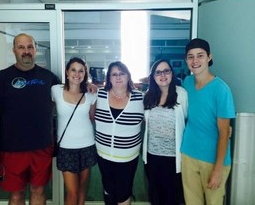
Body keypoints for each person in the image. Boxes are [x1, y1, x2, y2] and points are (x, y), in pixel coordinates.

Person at [0, 33, 61, 205]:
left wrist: (89, 86)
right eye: (21, 47)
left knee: (39, 190)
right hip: (11, 149)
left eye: (30, 47)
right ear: (14, 50)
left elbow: (69, 95)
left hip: (42, 148)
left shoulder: (49, 78)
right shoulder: (1, 78)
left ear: (35, 50)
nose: (26, 51)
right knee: (16, 194)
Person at [181, 38, 235, 205]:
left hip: (213, 160)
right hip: (188, 154)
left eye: (200, 55)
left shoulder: (221, 89)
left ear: (209, 57)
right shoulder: (187, 83)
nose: (195, 61)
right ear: (186, 60)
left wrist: (218, 170)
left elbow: (224, 132)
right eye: (190, 56)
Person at [94, 61, 144, 205]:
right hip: (104, 155)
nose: (118, 77)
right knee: (108, 190)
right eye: (114, 74)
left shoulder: (140, 98)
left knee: (124, 193)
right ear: (109, 78)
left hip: (128, 157)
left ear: (128, 76)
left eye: (122, 73)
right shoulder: (99, 96)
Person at [51, 57, 97, 205]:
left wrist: (90, 85)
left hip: (87, 145)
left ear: (85, 74)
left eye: (81, 71)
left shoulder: (91, 94)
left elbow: (92, 118)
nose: (77, 74)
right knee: (72, 191)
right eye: (73, 70)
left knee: (83, 188)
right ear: (67, 72)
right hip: (66, 148)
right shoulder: (56, 90)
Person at [142, 59, 188, 205]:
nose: (162, 75)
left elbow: (188, 119)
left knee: (171, 198)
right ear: (153, 76)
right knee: (155, 198)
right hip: (152, 157)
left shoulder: (181, 94)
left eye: (166, 71)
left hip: (173, 158)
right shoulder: (148, 96)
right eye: (158, 72)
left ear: (171, 73)